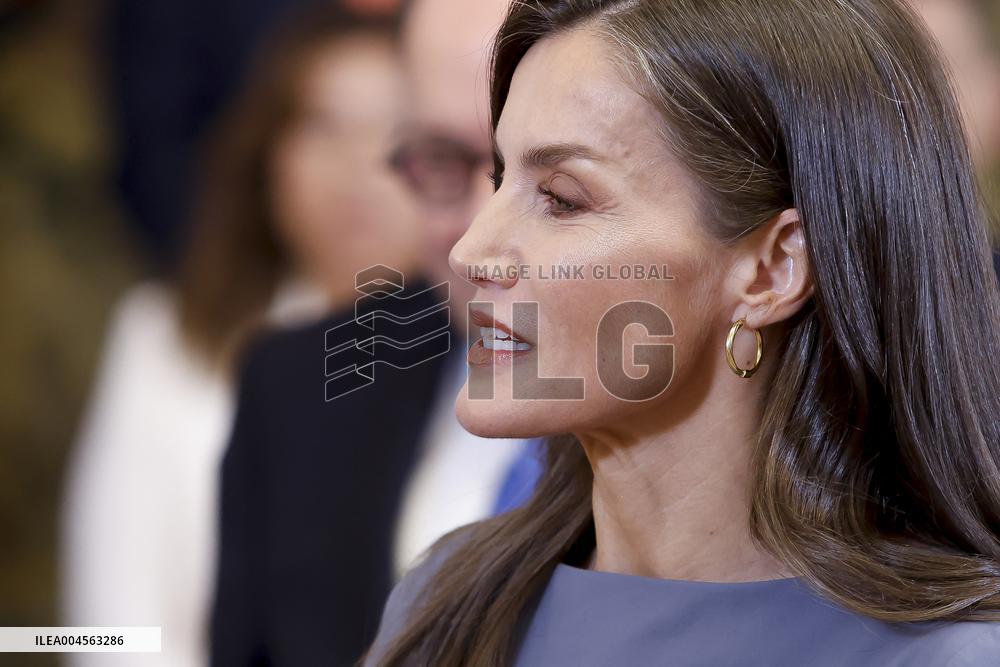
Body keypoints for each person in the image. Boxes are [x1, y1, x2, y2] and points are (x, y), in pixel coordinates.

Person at [363, 0, 1000, 665]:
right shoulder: (448, 601)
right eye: (502, 179)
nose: (471, 250)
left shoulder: (948, 655)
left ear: (773, 269)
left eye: (561, 197)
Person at [59, 6, 418, 666]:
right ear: (266, 153)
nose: (357, 167)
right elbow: (110, 622)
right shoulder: (166, 333)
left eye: (392, 133)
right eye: (321, 125)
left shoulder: (480, 357)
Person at [208, 0, 539, 665]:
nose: (479, 230)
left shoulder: (701, 431)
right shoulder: (300, 387)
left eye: (537, 176)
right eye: (444, 161)